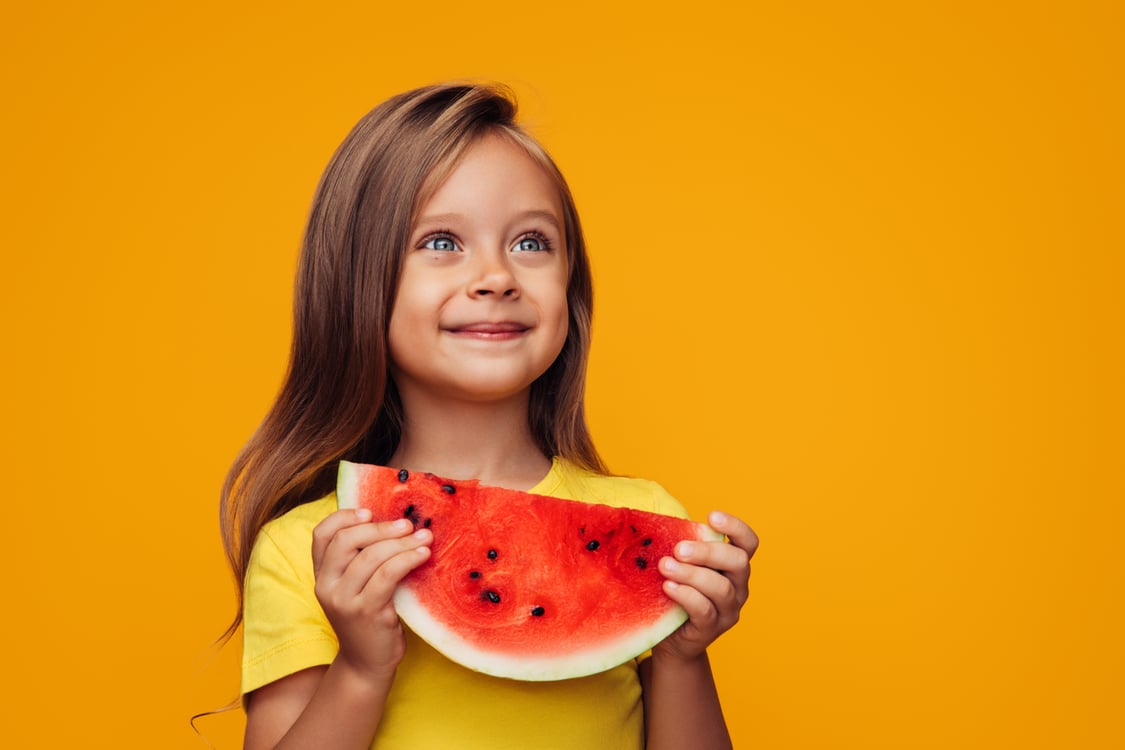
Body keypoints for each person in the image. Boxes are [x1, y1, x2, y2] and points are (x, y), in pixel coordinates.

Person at [220, 82, 759, 750]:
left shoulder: (645, 522)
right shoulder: (315, 550)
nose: (497, 276)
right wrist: (362, 669)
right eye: (442, 242)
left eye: (531, 242)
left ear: (571, 285)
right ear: (358, 282)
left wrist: (682, 652)